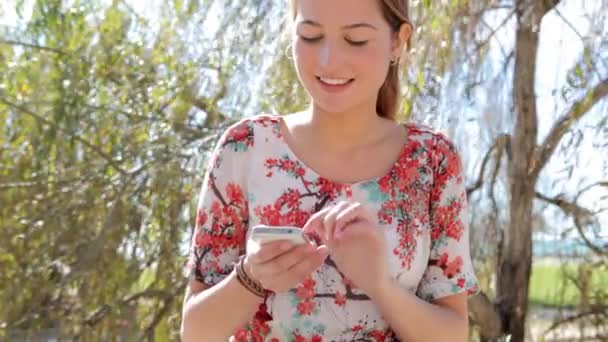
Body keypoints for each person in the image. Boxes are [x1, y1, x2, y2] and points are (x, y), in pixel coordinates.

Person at [181, 0, 479, 340]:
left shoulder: (432, 161)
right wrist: (251, 278)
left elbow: (453, 334)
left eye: (355, 40)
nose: (329, 60)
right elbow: (195, 332)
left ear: (398, 41)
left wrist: (379, 284)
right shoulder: (245, 148)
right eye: (310, 36)